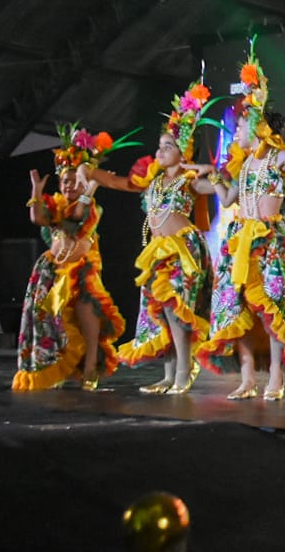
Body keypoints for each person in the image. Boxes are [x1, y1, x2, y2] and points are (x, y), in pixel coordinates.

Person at [192, 50, 285, 400]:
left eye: (239, 126)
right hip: (239, 240)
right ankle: (247, 378)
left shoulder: (278, 158)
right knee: (237, 308)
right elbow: (228, 200)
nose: (235, 131)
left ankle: (276, 377)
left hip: (270, 240)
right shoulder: (242, 166)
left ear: (257, 126)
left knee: (272, 307)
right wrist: (214, 177)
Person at [87, 82, 215, 395]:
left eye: (168, 146)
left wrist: (208, 170)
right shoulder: (153, 182)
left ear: (184, 151)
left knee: (176, 309)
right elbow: (117, 183)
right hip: (157, 252)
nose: (160, 151)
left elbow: (222, 185)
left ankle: (185, 369)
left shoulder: (189, 181)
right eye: (160, 146)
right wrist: (88, 170)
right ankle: (169, 374)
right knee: (161, 313)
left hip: (183, 250)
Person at [12, 124, 132, 391]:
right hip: (52, 268)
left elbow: (77, 217)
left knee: (85, 308)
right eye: (66, 181)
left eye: (75, 181)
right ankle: (56, 366)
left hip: (80, 268)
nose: (70, 185)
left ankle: (90, 365)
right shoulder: (54, 205)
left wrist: (90, 189)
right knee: (50, 319)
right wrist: (36, 190)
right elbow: (38, 218)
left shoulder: (90, 207)